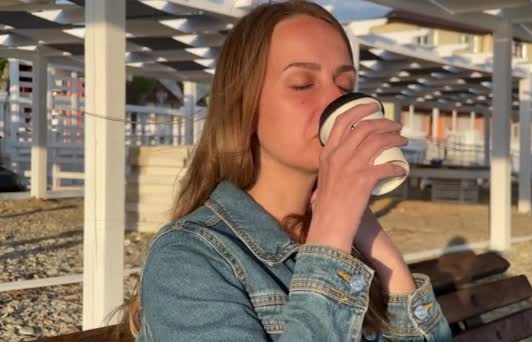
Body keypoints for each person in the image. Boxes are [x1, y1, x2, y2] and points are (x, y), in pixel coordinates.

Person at [124, 1, 452, 341]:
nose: (334, 100)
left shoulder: (349, 245)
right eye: (302, 83)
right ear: (245, 108)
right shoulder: (188, 259)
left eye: (346, 84)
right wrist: (333, 229)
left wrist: (377, 245)